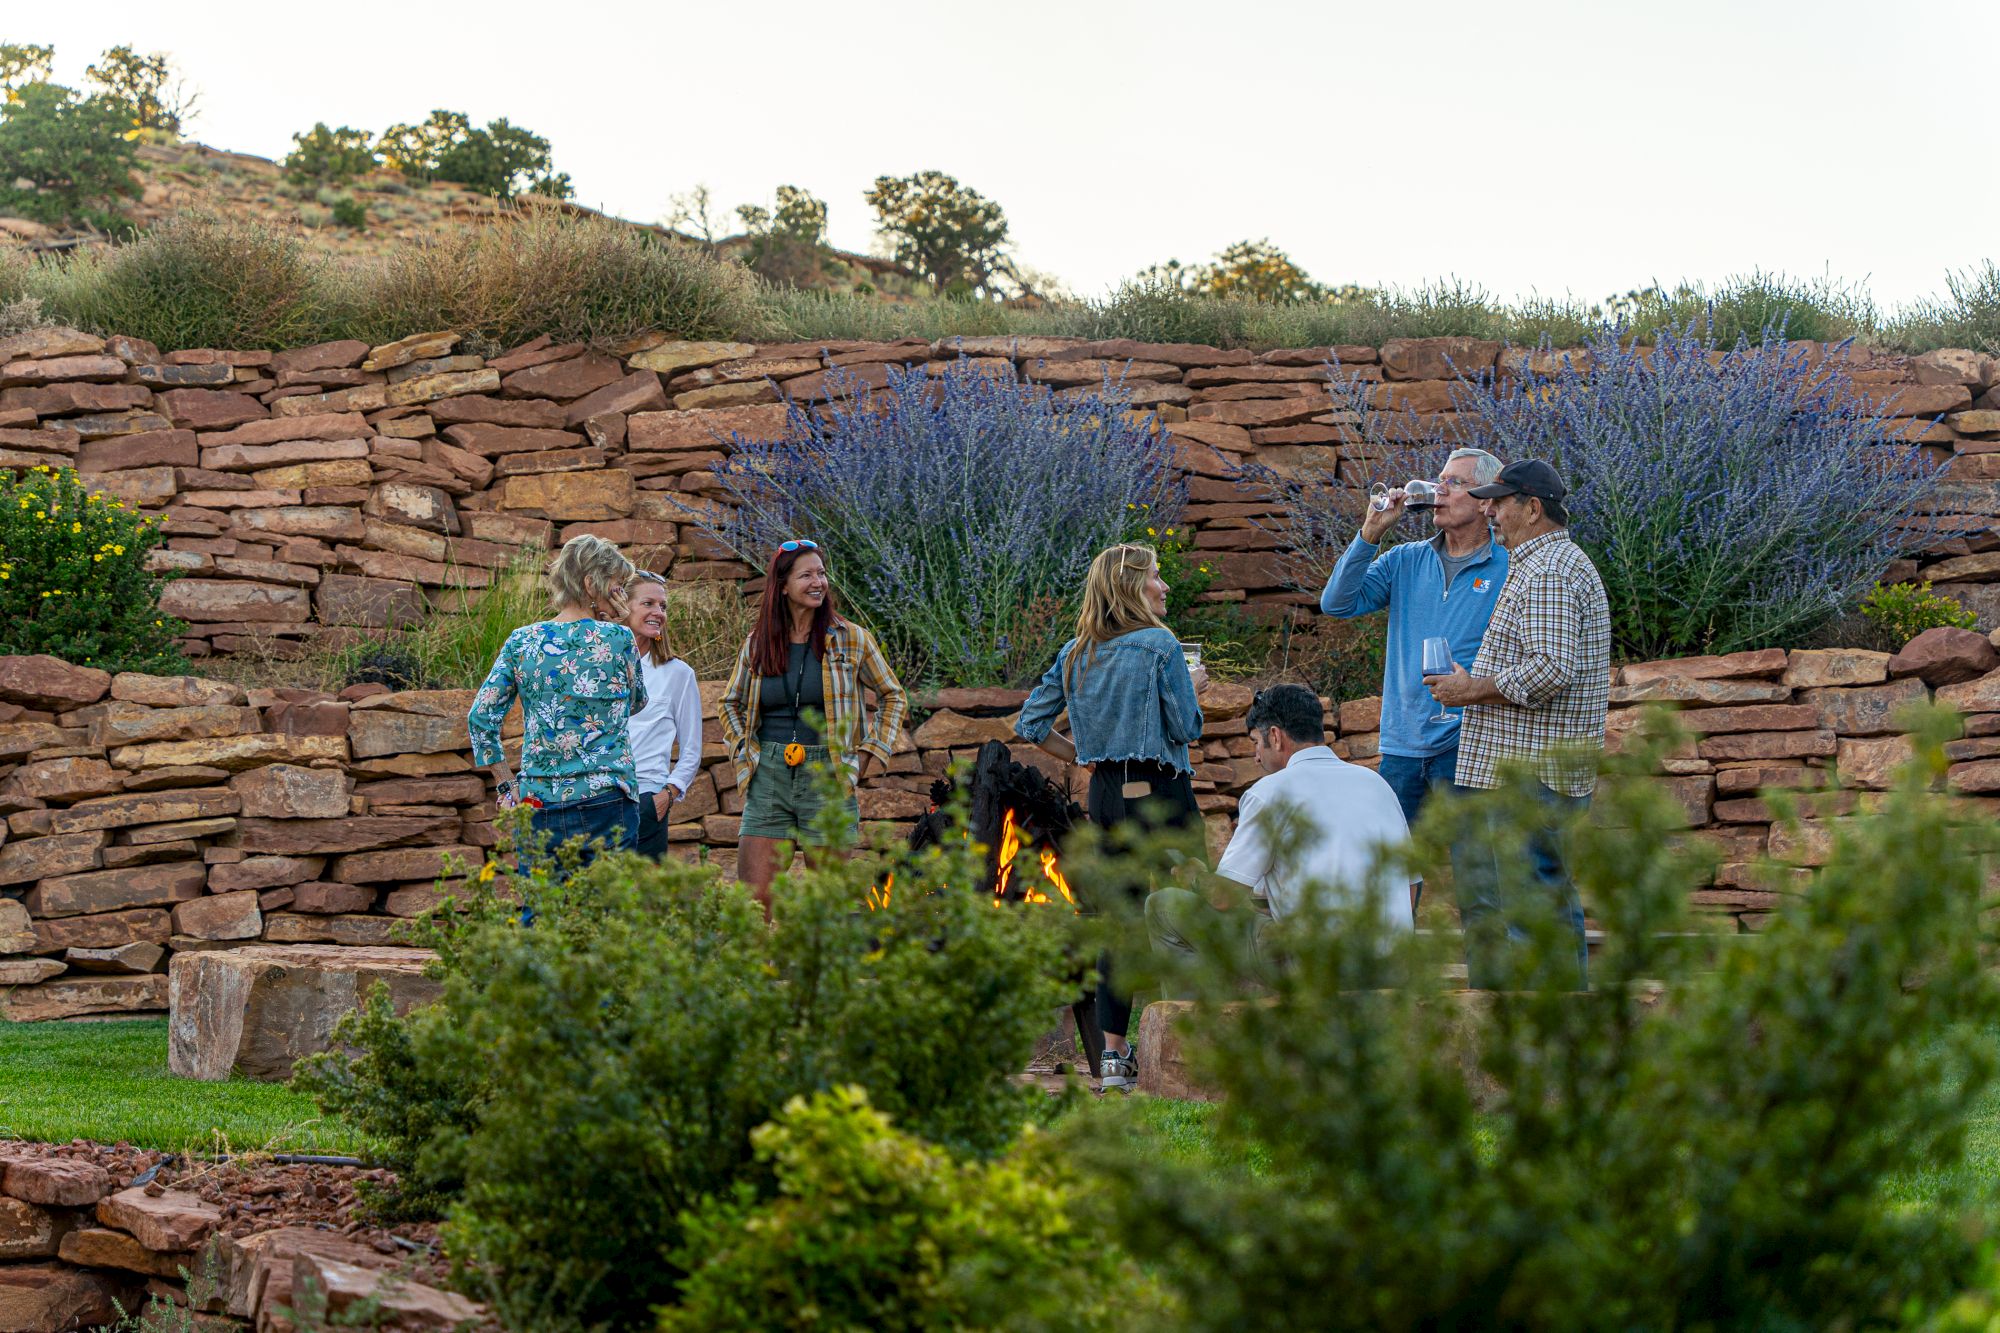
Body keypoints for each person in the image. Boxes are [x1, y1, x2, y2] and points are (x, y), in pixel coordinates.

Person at [1017, 543, 1208, 1092]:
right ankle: (1192, 1043)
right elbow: (1187, 728)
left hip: (1105, 795)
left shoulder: (1076, 651)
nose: (1164, 588)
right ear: (1133, 588)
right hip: (1161, 794)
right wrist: (1193, 689)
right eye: (1156, 577)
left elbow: (1029, 725)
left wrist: (1079, 755)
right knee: (1191, 907)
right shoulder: (1161, 645)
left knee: (1119, 928)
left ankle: (1112, 1061)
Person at [1424, 459, 1610, 990]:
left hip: (1533, 776)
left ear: (1532, 508)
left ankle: (1547, 1042)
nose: (1490, 510)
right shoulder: (1544, 562)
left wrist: (1470, 689)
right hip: (1536, 773)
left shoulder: (1549, 569)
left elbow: (1552, 667)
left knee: (1533, 911)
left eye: (1500, 501)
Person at [1321, 447, 1507, 914]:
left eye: (1455, 482)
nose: (1439, 489)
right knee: (1390, 877)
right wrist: (1370, 534)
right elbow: (1337, 603)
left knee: (1480, 876)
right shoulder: (1405, 559)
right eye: (1439, 479)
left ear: (1487, 501)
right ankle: (1389, 978)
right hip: (1403, 743)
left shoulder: (1510, 568)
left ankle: (1492, 984)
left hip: (1469, 743)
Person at [1147, 684, 1414, 989]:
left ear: (1275, 736)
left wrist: (1195, 876)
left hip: (1318, 967)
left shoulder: (1269, 792)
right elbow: (1409, 888)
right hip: (1392, 966)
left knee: (1162, 906)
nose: (1256, 757)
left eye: (1255, 743)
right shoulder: (1377, 785)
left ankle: (1200, 1029)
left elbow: (1223, 897)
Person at [719, 539, 908, 912]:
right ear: (783, 585)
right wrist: (745, 753)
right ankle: (757, 970)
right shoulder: (758, 642)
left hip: (828, 774)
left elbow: (893, 695)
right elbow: (730, 703)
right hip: (768, 774)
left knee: (826, 900)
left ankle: (817, 972)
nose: (818, 581)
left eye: (821, 573)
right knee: (754, 901)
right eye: (806, 575)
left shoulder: (850, 638)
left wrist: (868, 756)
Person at [468, 534, 647, 882]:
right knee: (609, 917)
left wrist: (506, 784)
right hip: (607, 798)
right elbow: (636, 702)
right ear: (590, 583)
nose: (621, 595)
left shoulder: (522, 640)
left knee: (541, 914)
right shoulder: (619, 638)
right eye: (617, 585)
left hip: (538, 802)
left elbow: (480, 718)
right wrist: (618, 626)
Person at [624, 570, 703, 860]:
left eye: (663, 606)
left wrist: (668, 794)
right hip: (597, 800)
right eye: (648, 604)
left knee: (645, 900)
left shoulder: (679, 675)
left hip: (647, 800)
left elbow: (692, 749)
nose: (658, 612)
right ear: (624, 607)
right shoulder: (596, 669)